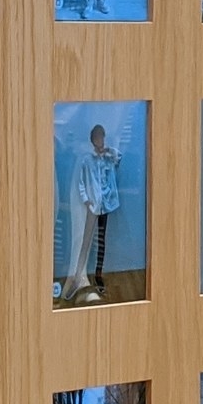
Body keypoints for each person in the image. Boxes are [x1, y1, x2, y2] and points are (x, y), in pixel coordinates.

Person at [69, 122, 121, 305]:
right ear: (93, 140)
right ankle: (79, 276)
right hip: (93, 206)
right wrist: (86, 200)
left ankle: (98, 277)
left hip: (106, 204)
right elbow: (81, 182)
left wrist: (108, 150)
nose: (101, 141)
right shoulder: (86, 159)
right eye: (98, 138)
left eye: (102, 137)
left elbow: (118, 157)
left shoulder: (107, 157)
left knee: (102, 241)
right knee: (86, 240)